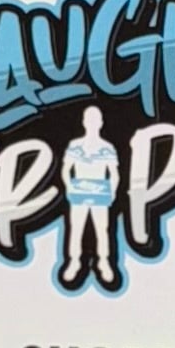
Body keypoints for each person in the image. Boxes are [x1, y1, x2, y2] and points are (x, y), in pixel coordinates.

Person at [60, 102, 122, 290]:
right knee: (76, 228)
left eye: (96, 120)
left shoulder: (107, 147)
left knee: (102, 229)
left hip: (100, 192)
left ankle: (104, 261)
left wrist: (112, 191)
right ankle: (74, 261)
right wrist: (69, 187)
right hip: (78, 191)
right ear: (84, 122)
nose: (93, 123)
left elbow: (114, 174)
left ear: (101, 123)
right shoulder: (75, 145)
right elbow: (66, 170)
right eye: (90, 119)